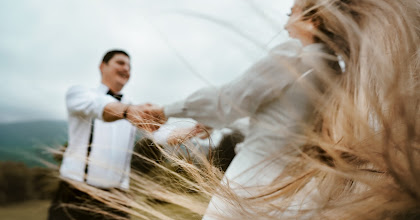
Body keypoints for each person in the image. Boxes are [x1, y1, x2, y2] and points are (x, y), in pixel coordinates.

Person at [141, 0, 419, 219]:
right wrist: (206, 126)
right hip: (298, 194)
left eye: (291, 12)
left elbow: (229, 99)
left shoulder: (293, 55)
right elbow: (281, 118)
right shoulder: (339, 76)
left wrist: (166, 110)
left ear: (311, 21)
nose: (286, 24)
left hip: (250, 182)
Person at [48, 50, 162, 220]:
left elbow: (160, 136)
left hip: (117, 199)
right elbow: (99, 105)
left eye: (129, 66)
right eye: (120, 63)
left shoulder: (133, 107)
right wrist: (128, 111)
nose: (126, 69)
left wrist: (193, 130)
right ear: (103, 66)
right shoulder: (80, 94)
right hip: (76, 194)